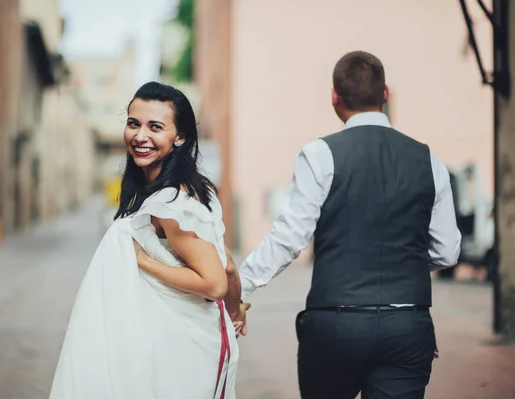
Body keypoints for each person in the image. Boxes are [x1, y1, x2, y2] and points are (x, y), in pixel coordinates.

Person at [234, 51, 462, 399]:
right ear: (385, 94)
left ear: (334, 97)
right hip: (407, 325)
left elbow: (290, 238)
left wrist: (239, 288)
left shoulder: (319, 154)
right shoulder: (429, 160)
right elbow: (447, 251)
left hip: (335, 326)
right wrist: (401, 264)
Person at [49, 81, 241, 399]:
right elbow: (229, 267)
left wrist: (143, 262)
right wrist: (237, 310)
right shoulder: (176, 191)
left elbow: (214, 282)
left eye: (155, 127)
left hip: (184, 354)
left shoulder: (171, 203)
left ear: (179, 137)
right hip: (171, 344)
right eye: (133, 123)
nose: (140, 136)